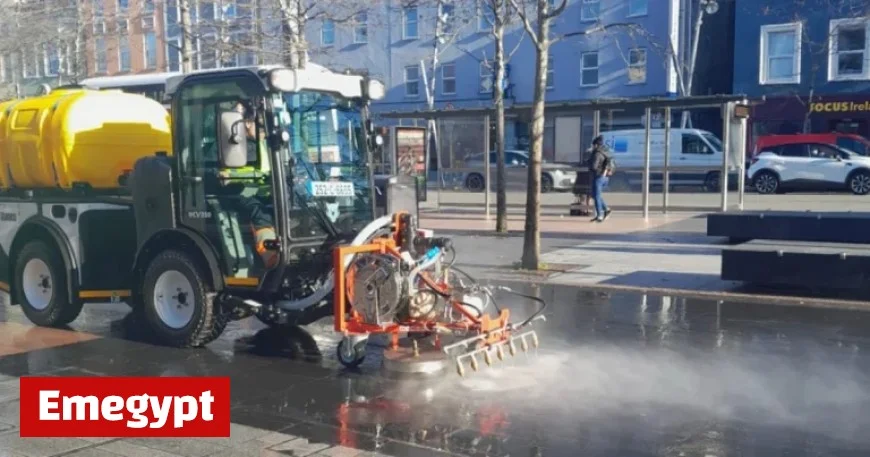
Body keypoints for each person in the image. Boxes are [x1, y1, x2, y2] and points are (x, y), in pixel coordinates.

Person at [587, 135, 613, 222]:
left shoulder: (597, 154)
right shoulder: (605, 152)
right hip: (605, 177)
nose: (592, 146)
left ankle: (599, 215)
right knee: (595, 195)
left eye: (593, 145)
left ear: (596, 145)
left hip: (598, 176)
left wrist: (589, 162)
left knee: (596, 196)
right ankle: (606, 209)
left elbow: (594, 166)